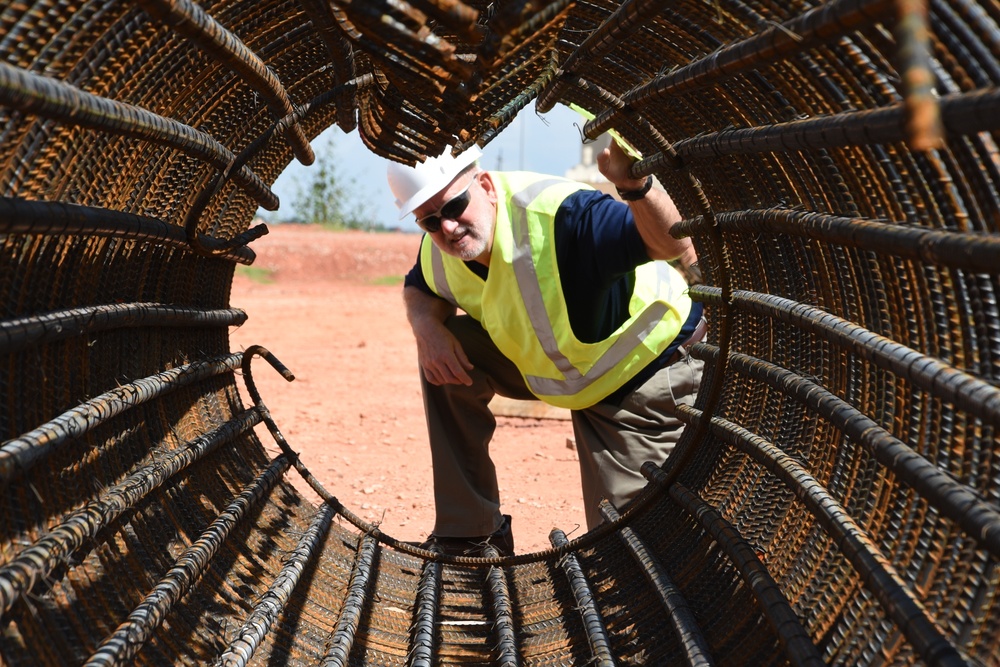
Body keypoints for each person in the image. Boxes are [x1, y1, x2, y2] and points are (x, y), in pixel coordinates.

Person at [387, 140, 705, 557]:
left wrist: (636, 187)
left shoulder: (563, 217)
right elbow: (419, 286)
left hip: (641, 374)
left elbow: (675, 246)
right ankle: (472, 535)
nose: (446, 227)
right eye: (428, 221)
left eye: (453, 206)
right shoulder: (443, 246)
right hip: (564, 369)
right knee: (450, 349)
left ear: (484, 184)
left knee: (637, 553)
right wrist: (426, 325)